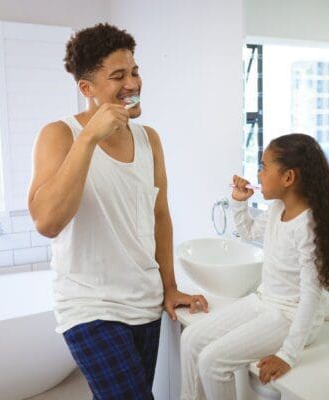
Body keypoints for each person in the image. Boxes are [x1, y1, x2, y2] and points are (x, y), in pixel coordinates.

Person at [28, 23, 207, 400]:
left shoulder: (149, 140)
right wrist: (90, 136)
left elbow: (160, 216)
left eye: (135, 71)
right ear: (87, 89)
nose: (132, 84)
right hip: (89, 305)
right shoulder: (59, 135)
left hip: (143, 300)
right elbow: (47, 221)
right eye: (118, 76)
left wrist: (170, 286)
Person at [179, 134, 329, 400]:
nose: (258, 175)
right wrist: (239, 201)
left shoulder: (308, 227)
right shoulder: (276, 210)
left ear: (288, 178)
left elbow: (310, 296)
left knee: (213, 362)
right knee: (190, 339)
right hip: (264, 301)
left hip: (290, 316)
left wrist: (288, 355)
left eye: (263, 167)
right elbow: (247, 231)